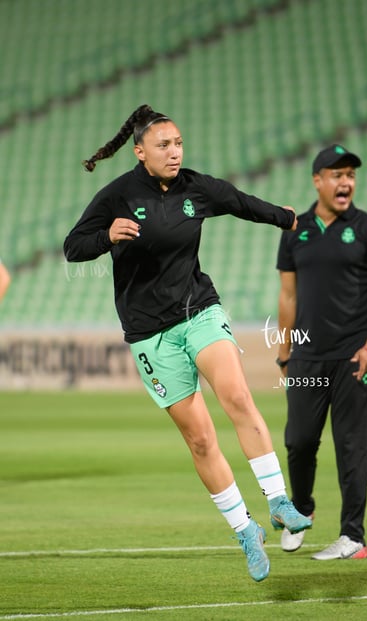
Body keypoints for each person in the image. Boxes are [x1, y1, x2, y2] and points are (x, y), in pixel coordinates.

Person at [63, 104, 312, 582]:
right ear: (140, 152)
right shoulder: (117, 196)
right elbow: (74, 246)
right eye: (164, 145)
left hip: (197, 310)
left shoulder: (196, 187)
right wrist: (106, 235)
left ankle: (279, 499)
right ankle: (245, 530)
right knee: (200, 438)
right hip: (148, 334)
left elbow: (241, 202)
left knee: (237, 395)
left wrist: (287, 219)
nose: (174, 152)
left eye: (178, 143)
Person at [276, 144, 367, 560]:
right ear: (317, 180)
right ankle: (301, 509)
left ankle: (353, 535)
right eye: (337, 174)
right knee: (299, 440)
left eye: (351, 175)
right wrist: (285, 353)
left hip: (352, 358)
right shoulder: (296, 230)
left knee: (351, 445)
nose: (346, 182)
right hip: (306, 357)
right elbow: (287, 297)